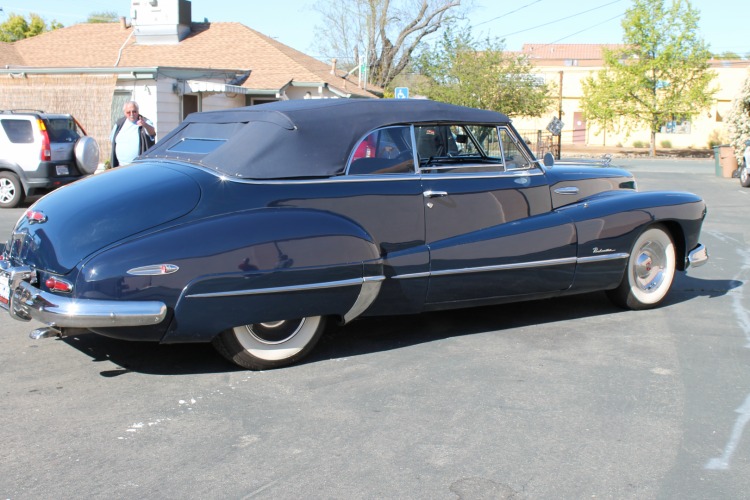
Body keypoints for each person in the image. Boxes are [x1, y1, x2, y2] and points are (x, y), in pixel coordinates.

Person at [110, 101, 156, 167]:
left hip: (138, 167)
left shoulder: (144, 121)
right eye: (128, 112)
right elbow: (112, 140)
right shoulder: (119, 124)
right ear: (125, 113)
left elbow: (152, 133)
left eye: (134, 111)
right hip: (120, 167)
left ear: (138, 111)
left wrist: (144, 125)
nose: (131, 114)